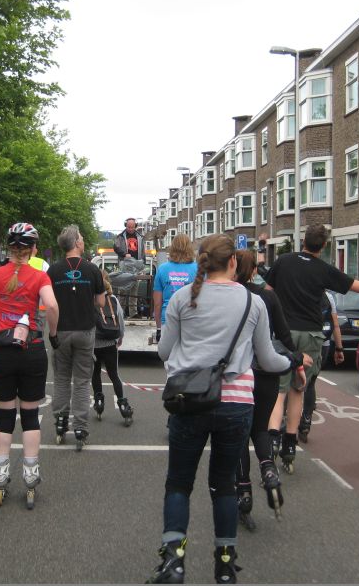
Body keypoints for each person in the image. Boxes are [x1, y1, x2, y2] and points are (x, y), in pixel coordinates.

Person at [146, 235, 305, 585]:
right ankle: (225, 564)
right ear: (233, 261)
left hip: (189, 401)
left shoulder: (183, 298)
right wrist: (293, 360)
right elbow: (268, 360)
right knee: (224, 484)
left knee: (179, 482)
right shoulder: (253, 302)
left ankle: (173, 561)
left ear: (202, 261)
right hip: (236, 404)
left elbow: (164, 352)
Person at [265, 223, 359, 473]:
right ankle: (290, 445)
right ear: (324, 246)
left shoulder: (283, 261)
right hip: (310, 335)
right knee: (298, 389)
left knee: (280, 390)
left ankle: (273, 438)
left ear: (304, 240)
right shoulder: (324, 269)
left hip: (284, 334)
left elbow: (268, 292)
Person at [233, 249, 311, 531]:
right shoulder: (267, 296)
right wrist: (296, 362)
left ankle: (243, 493)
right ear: (255, 269)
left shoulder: (230, 296)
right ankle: (268, 469)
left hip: (239, 373)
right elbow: (284, 334)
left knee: (239, 436)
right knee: (261, 429)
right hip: (266, 372)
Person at [0, 223, 59, 506]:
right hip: (32, 349)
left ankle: (1, 473)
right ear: (33, 249)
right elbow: (52, 306)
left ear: (9, 248)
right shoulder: (40, 277)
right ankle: (30, 473)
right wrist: (53, 333)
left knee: (4, 415)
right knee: (30, 415)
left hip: (3, 351)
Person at [47, 225, 105, 450]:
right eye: (81, 237)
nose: (82, 240)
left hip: (61, 331)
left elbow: (49, 304)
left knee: (62, 378)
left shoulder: (53, 271)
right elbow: (101, 302)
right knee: (81, 381)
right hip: (85, 330)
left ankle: (61, 422)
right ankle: (80, 427)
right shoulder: (92, 270)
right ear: (77, 243)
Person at [298, 291, 345, 443]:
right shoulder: (327, 296)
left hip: (301, 341)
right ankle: (306, 422)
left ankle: (285, 422)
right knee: (310, 383)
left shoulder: (298, 289)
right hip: (322, 344)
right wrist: (339, 348)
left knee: (293, 383)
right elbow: (335, 325)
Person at [91, 270, 132, 424]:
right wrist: (120, 337)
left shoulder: (90, 299)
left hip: (94, 344)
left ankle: (99, 401)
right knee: (114, 375)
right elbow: (120, 319)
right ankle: (123, 405)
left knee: (95, 373)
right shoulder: (113, 299)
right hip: (110, 342)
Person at [153, 233, 197, 344]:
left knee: (167, 353)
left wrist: (159, 328)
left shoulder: (162, 269)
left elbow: (157, 303)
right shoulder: (198, 269)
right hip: (191, 319)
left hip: (168, 319)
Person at [114, 218, 146, 317]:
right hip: (125, 265)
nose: (131, 229)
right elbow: (116, 247)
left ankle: (133, 313)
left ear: (135, 226)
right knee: (123, 289)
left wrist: (143, 262)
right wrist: (124, 254)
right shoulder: (120, 237)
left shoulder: (140, 237)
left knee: (134, 290)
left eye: (132, 227)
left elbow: (143, 251)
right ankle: (120, 312)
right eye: (129, 227)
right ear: (125, 226)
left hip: (136, 265)